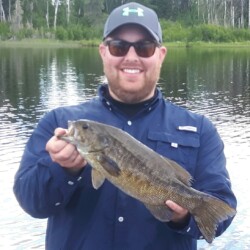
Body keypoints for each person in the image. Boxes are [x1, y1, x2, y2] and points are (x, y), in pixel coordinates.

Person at [14, 2, 237, 250]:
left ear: (161, 55)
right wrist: (63, 170)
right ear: (103, 52)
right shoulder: (58, 123)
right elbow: (31, 202)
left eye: (144, 47)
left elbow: (219, 216)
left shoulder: (199, 129)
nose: (131, 57)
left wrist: (183, 216)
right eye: (118, 47)